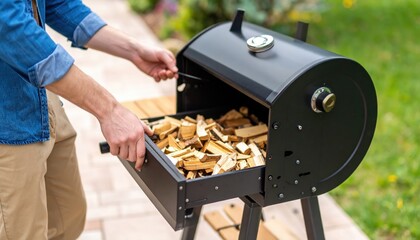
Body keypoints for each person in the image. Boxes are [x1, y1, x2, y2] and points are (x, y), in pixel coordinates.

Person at [0, 0, 178, 239]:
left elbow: (56, 3)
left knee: (68, 217)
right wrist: (109, 110)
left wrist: (133, 50)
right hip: (6, 118)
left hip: (38, 92)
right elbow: (10, 28)